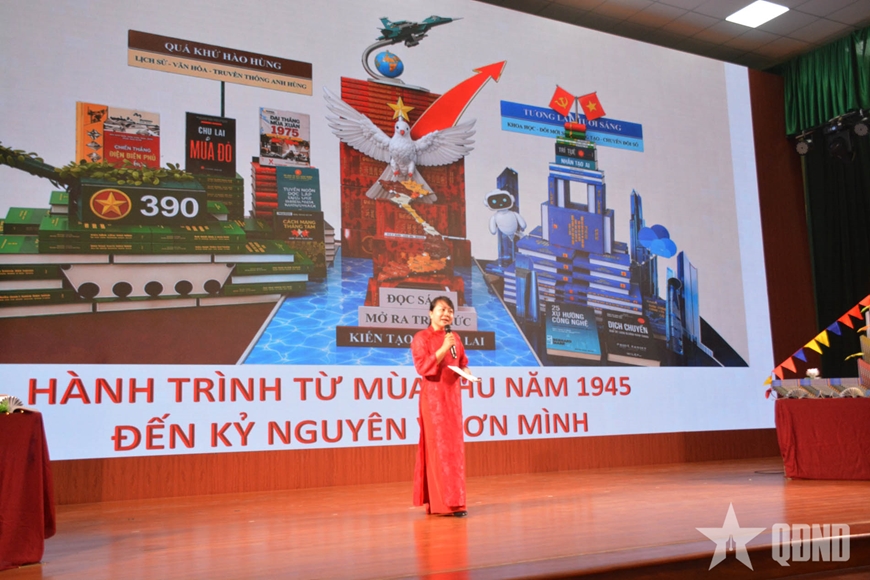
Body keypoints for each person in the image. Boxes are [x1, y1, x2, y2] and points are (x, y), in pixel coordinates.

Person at [411, 296, 474, 517]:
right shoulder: (421, 338)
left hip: (453, 399)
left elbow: (462, 361)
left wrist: (466, 372)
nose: (446, 314)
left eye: (450, 310)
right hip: (433, 400)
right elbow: (422, 367)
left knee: (454, 450)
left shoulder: (455, 337)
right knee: (438, 449)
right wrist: (444, 347)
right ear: (431, 313)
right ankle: (444, 504)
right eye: (442, 309)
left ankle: (457, 501)